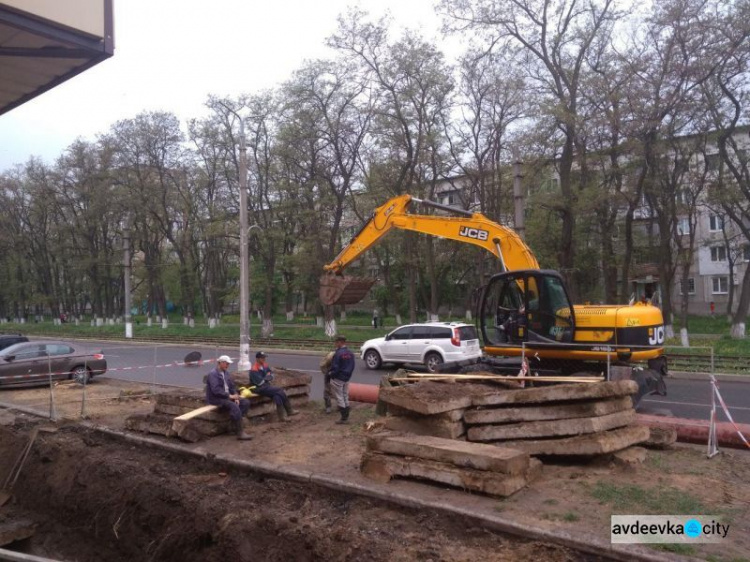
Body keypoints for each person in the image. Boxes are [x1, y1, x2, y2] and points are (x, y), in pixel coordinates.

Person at [206, 355, 252, 440]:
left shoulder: (226, 373)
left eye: (228, 364)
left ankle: (232, 426)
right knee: (234, 407)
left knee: (245, 402)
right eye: (226, 363)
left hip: (226, 397)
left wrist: (235, 396)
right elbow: (216, 390)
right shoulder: (213, 374)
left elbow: (231, 386)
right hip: (216, 399)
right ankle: (240, 433)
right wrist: (230, 396)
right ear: (221, 363)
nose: (228, 365)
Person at [249, 351, 298, 422]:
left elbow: (270, 373)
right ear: (257, 359)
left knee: (277, 396)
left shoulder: (264, 365)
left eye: (264, 357)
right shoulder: (254, 369)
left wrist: (268, 377)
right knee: (279, 390)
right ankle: (289, 410)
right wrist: (268, 377)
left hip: (265, 386)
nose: (264, 359)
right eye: (262, 358)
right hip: (258, 388)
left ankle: (282, 417)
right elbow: (260, 382)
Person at [328, 335, 355, 424]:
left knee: (339, 397)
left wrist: (331, 375)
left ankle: (343, 418)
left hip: (338, 378)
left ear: (340, 342)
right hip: (346, 377)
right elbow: (352, 366)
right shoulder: (350, 353)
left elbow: (335, 367)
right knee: (345, 395)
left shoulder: (338, 353)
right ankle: (347, 414)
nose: (335, 344)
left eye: (336, 342)